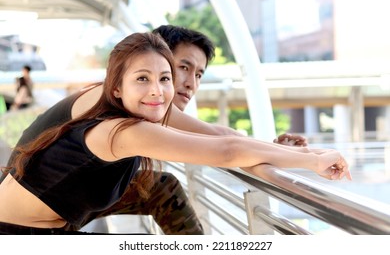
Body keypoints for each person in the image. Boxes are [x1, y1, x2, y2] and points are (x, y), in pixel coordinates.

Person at [0, 32, 351, 235]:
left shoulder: (130, 111)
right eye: (144, 78)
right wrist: (309, 162)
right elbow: (227, 150)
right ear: (117, 86)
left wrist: (305, 156)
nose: (160, 90)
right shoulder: (123, 128)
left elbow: (217, 134)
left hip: (44, 222)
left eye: (164, 78)